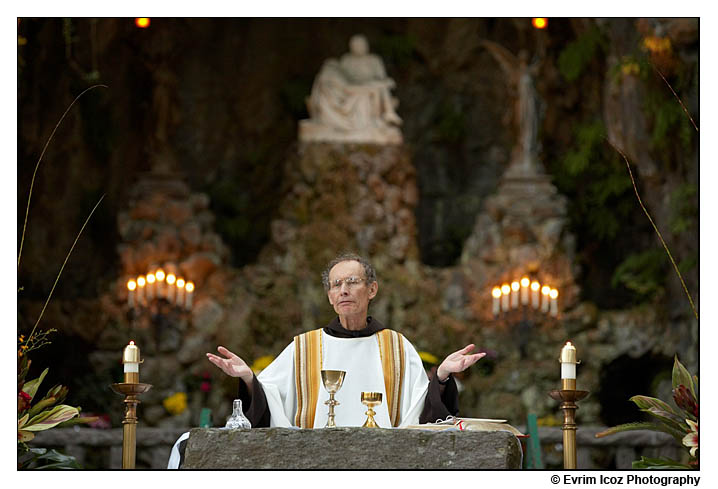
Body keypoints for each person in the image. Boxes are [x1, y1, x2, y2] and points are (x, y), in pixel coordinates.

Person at [168, 252, 484, 468]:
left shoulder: (397, 346)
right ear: (329, 296)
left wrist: (441, 376)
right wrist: (249, 378)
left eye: (352, 282)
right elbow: (271, 402)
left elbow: (423, 415)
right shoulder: (304, 347)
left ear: (372, 289)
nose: (343, 290)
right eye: (335, 285)